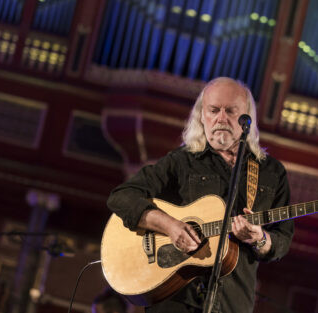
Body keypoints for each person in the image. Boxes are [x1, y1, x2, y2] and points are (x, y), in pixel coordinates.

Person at [107, 77, 294, 313]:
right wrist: (169, 225)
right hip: (175, 298)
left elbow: (283, 238)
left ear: (247, 117)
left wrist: (260, 239)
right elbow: (122, 197)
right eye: (213, 110)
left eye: (231, 111)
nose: (221, 119)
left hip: (231, 303)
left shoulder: (271, 172)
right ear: (201, 115)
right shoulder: (182, 161)